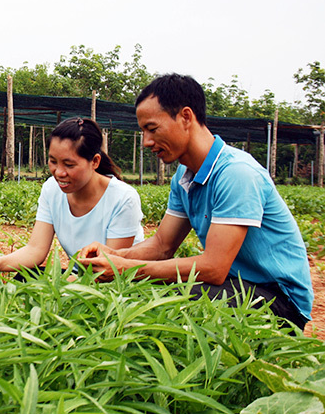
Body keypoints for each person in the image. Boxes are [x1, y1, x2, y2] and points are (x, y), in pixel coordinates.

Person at [78, 73, 313, 330]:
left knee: (169, 306)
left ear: (186, 117)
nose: (146, 142)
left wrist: (126, 268)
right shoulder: (183, 176)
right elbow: (161, 245)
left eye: (152, 129)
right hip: (233, 285)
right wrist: (115, 257)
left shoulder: (236, 173)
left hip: (278, 300)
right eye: (143, 131)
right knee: (144, 295)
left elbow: (213, 268)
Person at [0, 117, 144, 286]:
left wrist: (52, 288)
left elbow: (107, 271)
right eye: (53, 161)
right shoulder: (52, 189)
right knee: (27, 276)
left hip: (116, 283)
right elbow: (35, 249)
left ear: (95, 161)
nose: (59, 172)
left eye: (69, 164)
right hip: (78, 277)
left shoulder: (123, 198)